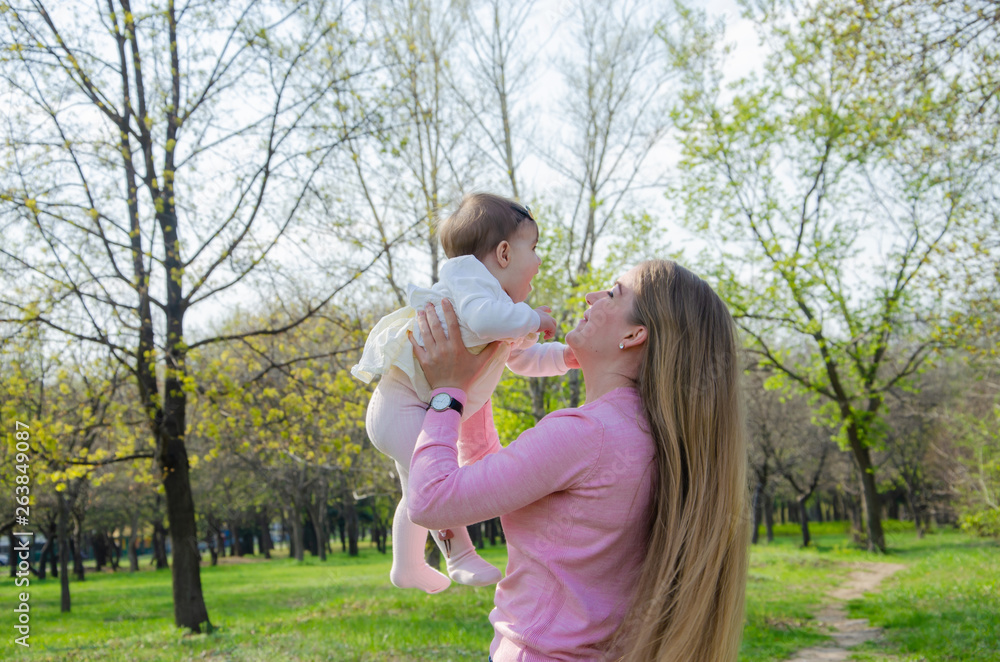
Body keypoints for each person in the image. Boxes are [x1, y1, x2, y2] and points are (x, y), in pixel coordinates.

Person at [406, 259, 750, 661]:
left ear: (635, 333)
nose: (592, 296)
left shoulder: (586, 434)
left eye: (613, 293)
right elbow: (497, 477)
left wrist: (447, 394)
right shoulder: (648, 434)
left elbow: (431, 501)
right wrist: (475, 383)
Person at [352, 193, 576, 594]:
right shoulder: (468, 280)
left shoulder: (502, 308)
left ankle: (406, 567)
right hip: (400, 406)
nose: (540, 261)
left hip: (420, 408)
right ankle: (459, 555)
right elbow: (485, 320)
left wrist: (567, 357)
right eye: (535, 248)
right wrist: (535, 317)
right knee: (434, 483)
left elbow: (523, 359)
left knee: (414, 491)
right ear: (503, 253)